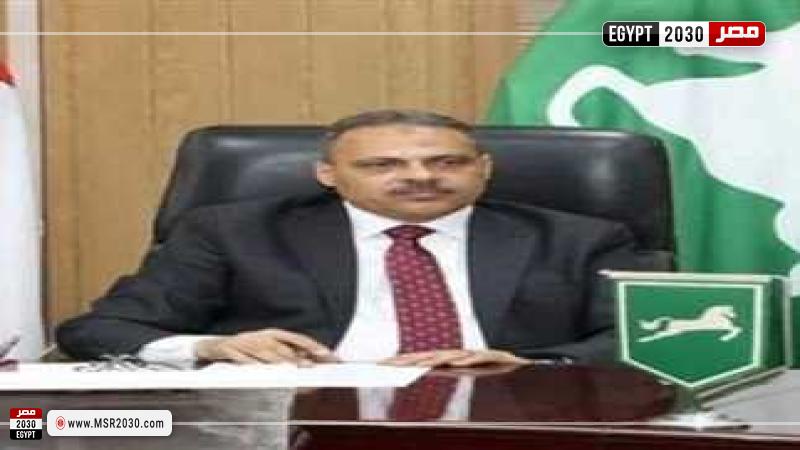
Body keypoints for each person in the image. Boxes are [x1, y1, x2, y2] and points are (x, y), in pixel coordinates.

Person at [57, 109, 661, 368]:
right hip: (305, 424)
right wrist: (212, 347)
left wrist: (533, 364)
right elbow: (99, 331)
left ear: (484, 169)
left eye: (447, 163)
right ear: (328, 174)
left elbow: (645, 340)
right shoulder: (234, 231)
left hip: (506, 421)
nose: (421, 176)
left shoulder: (579, 238)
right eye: (383, 165)